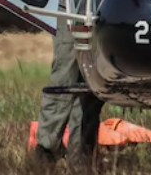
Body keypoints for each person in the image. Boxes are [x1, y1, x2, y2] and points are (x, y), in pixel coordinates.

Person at [31, 15, 104, 168]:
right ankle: (46, 150)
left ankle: (82, 156)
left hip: (99, 11)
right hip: (71, 11)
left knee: (91, 85)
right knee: (64, 82)